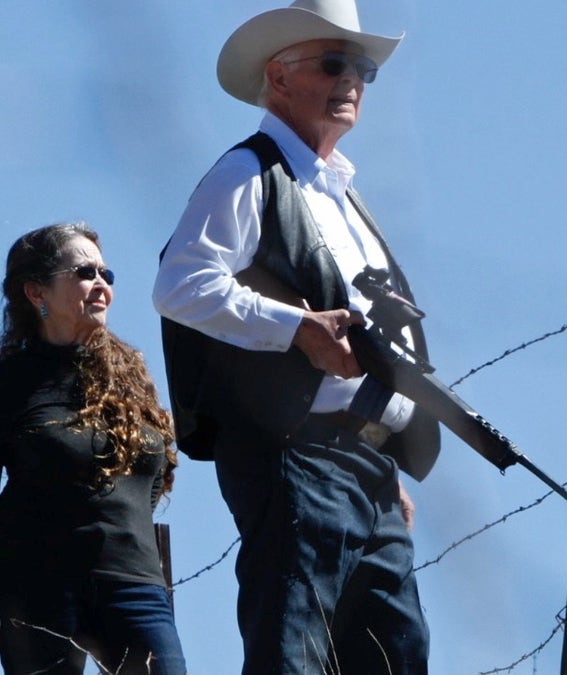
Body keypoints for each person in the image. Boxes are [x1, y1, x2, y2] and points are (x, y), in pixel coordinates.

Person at [153, 0, 440, 672]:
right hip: (293, 457)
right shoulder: (246, 172)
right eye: (335, 63)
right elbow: (181, 285)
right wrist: (295, 329)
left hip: (363, 464)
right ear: (279, 78)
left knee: (397, 652)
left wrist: (383, 455)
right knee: (294, 650)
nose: (353, 81)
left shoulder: (342, 195)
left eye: (362, 67)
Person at [0, 222, 187, 675]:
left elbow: (151, 477)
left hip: (135, 582)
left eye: (107, 274)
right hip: (38, 587)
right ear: (36, 292)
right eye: (85, 272)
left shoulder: (130, 375)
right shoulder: (10, 381)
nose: (101, 283)